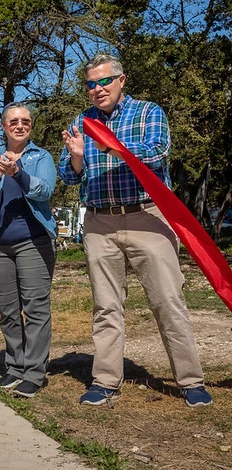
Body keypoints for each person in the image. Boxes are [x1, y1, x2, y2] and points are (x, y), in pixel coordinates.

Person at [59, 53, 212, 408]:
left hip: (147, 217)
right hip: (99, 221)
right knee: (106, 306)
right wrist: (78, 156)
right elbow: (68, 174)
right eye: (90, 84)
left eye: (103, 82)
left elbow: (158, 152)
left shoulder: (148, 112)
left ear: (121, 80)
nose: (97, 90)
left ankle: (191, 381)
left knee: (167, 300)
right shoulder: (81, 121)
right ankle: (105, 381)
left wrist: (112, 147)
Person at [0, 102, 57, 398]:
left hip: (33, 242)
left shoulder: (41, 156)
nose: (20, 126)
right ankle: (14, 366)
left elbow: (44, 191)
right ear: (4, 126)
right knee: (7, 310)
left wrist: (17, 173)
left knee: (35, 309)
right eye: (14, 121)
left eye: (26, 122)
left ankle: (34, 373)